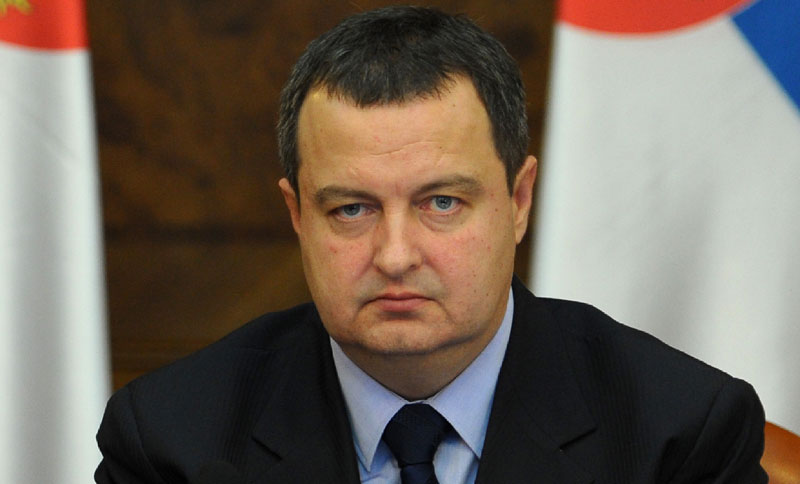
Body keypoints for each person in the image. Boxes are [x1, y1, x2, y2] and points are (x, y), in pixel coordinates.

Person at [95, 6, 767, 483]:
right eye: (351, 209)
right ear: (298, 215)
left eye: (441, 203)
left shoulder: (677, 436)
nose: (395, 256)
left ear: (519, 201)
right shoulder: (172, 442)